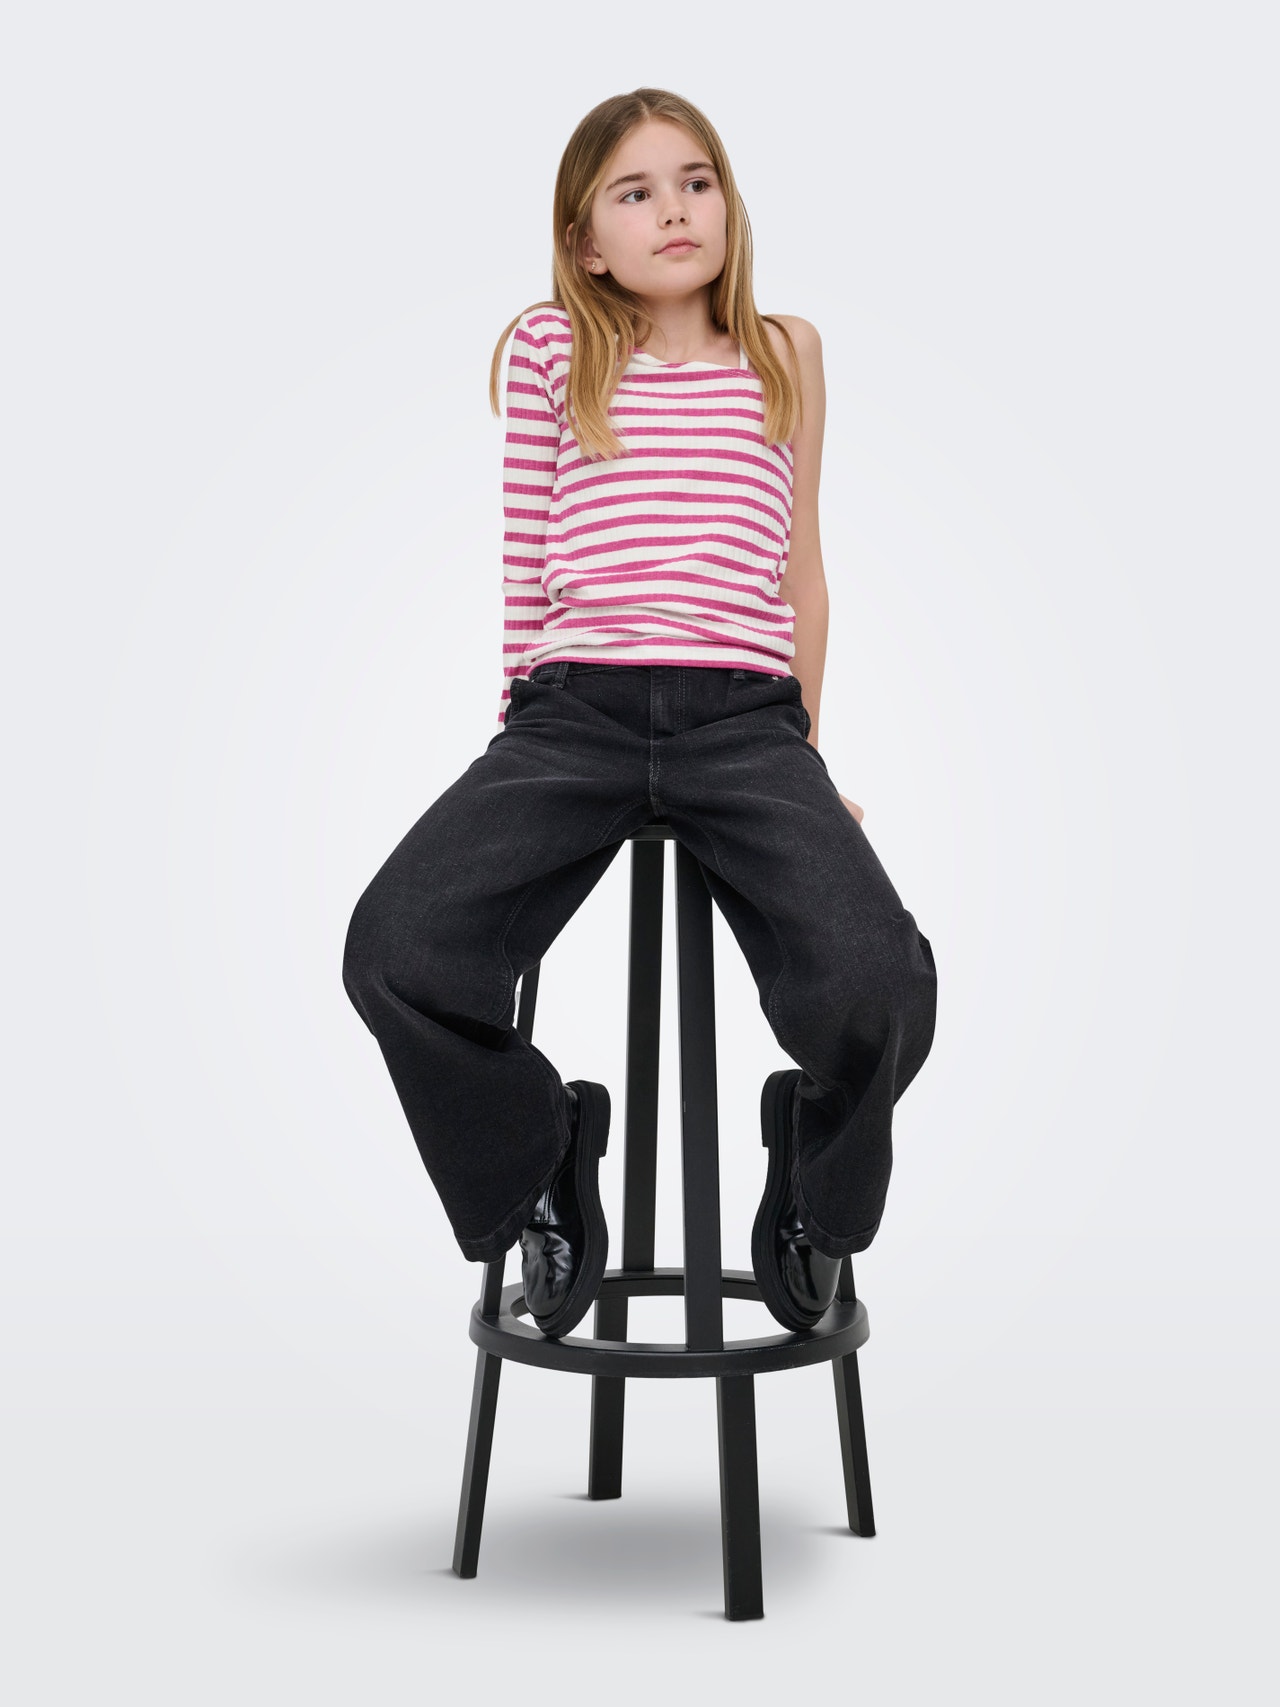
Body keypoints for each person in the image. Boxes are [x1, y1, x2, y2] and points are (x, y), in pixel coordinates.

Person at [342, 87, 938, 1341]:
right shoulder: (554, 348)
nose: (674, 211)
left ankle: (813, 1188)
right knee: (396, 949)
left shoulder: (784, 352)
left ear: (728, 202)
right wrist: (516, 732)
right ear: (586, 240)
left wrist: (805, 751)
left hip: (744, 720)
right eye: (635, 192)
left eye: (695, 182)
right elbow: (524, 563)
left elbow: (799, 569)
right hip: (575, 714)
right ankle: (540, 1154)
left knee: (879, 979)